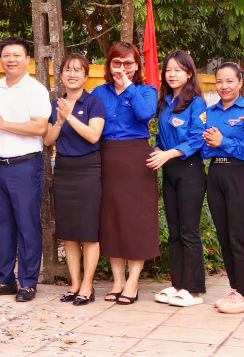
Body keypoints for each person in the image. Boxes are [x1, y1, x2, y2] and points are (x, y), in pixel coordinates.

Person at [0, 36, 51, 302]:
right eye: (6, 55)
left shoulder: (36, 90)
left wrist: (3, 122)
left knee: (27, 225)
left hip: (25, 165)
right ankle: (4, 279)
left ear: (27, 60)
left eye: (16, 55)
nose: (11, 60)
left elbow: (41, 128)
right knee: (1, 226)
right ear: (1, 60)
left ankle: (28, 282)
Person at [91, 42, 159, 306]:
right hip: (106, 156)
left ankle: (133, 280)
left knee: (135, 219)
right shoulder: (98, 92)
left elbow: (144, 115)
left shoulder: (146, 91)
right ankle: (118, 279)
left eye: (128, 63)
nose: (122, 68)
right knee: (111, 219)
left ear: (137, 65)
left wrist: (128, 86)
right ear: (109, 65)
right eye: (116, 63)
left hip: (136, 158)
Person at [202, 62, 244, 314]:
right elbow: (206, 148)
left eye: (230, 81)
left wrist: (222, 141)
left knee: (239, 236)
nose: (224, 86)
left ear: (240, 83)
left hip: (241, 174)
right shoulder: (211, 112)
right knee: (224, 235)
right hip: (216, 173)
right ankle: (235, 290)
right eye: (219, 81)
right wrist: (221, 144)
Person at [43, 53, 105, 306]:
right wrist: (58, 120)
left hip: (89, 169)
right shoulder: (55, 105)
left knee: (89, 232)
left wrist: (69, 116)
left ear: (86, 76)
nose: (72, 74)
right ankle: (75, 284)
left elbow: (93, 136)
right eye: (68, 69)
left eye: (78, 70)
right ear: (61, 75)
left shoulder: (94, 102)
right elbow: (47, 141)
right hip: (65, 170)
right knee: (68, 233)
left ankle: (88, 287)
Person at [147, 50, 208, 307]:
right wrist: (159, 150)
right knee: (173, 232)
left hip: (190, 169)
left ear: (189, 73)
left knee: (188, 231)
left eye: (178, 70)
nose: (172, 74)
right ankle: (178, 284)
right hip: (170, 169)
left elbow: (197, 137)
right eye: (168, 70)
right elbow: (161, 137)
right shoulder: (165, 102)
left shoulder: (197, 103)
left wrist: (170, 153)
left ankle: (194, 290)